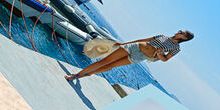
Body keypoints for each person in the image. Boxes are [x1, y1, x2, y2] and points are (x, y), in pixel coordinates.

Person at [63, 30, 194, 82]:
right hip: (135, 47)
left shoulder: (176, 48)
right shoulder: (163, 36)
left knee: (110, 66)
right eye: (180, 30)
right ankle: (75, 76)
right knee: (105, 61)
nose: (179, 31)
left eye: (182, 32)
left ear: (185, 38)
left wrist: (160, 54)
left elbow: (165, 60)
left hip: (140, 57)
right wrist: (125, 43)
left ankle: (88, 74)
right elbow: (144, 38)